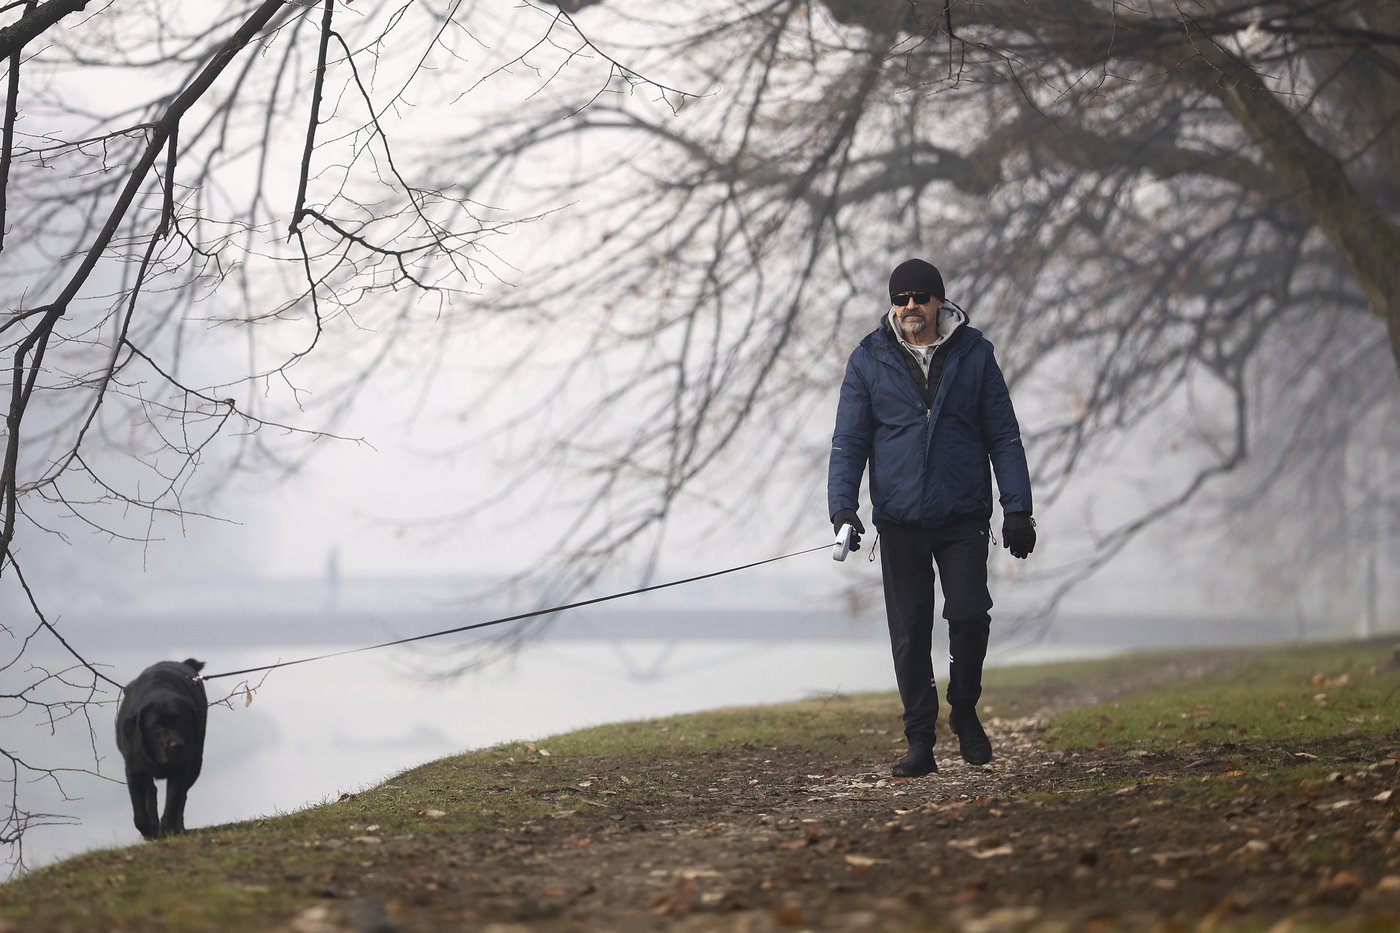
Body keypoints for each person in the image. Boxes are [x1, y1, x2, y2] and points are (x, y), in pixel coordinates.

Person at [828, 258, 1035, 777]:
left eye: (921, 297)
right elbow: (849, 441)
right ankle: (920, 740)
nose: (911, 307)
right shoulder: (868, 359)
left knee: (968, 615)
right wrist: (843, 509)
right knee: (910, 632)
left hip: (963, 513)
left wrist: (1018, 509)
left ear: (940, 301)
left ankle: (964, 709)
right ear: (892, 305)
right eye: (901, 299)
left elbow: (1003, 436)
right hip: (898, 520)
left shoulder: (975, 354)